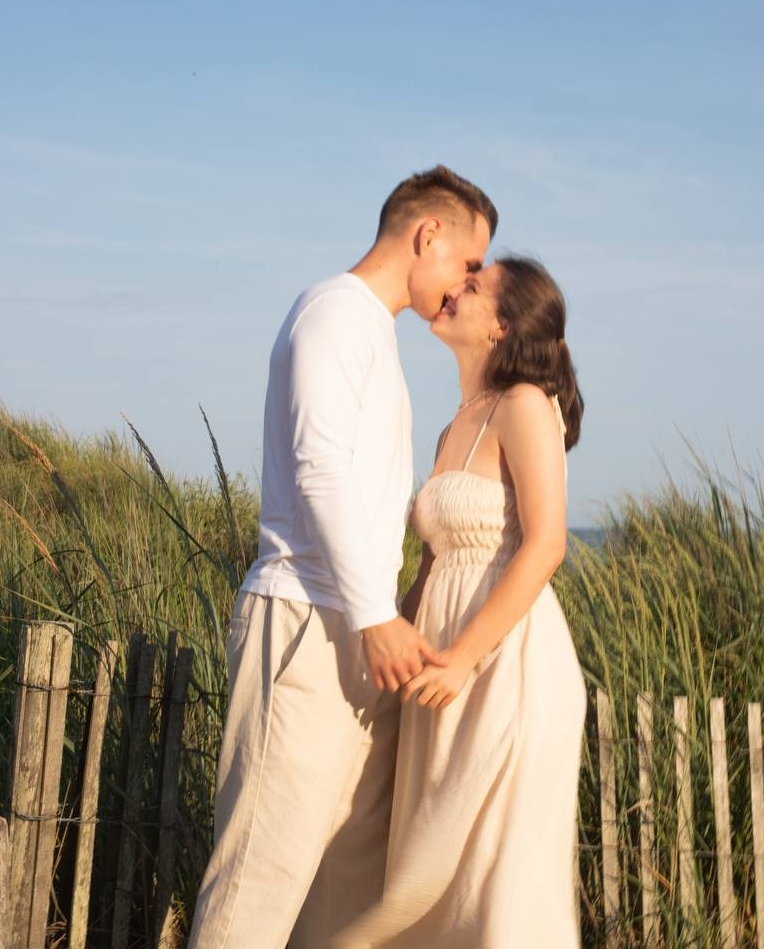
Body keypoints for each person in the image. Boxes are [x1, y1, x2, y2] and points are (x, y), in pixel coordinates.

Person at [187, 166, 498, 949]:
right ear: (428, 234)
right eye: (468, 263)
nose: (467, 284)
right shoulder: (333, 312)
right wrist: (374, 617)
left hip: (355, 632)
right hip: (307, 620)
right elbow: (317, 468)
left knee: (342, 902)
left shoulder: (370, 331)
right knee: (256, 888)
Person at [333, 256, 586, 948]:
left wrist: (464, 659)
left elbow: (546, 545)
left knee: (494, 882)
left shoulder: (525, 404)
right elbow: (432, 564)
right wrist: (390, 637)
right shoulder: (456, 424)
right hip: (442, 666)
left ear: (501, 325)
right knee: (432, 875)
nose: (453, 289)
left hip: (504, 664)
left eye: (472, 288)